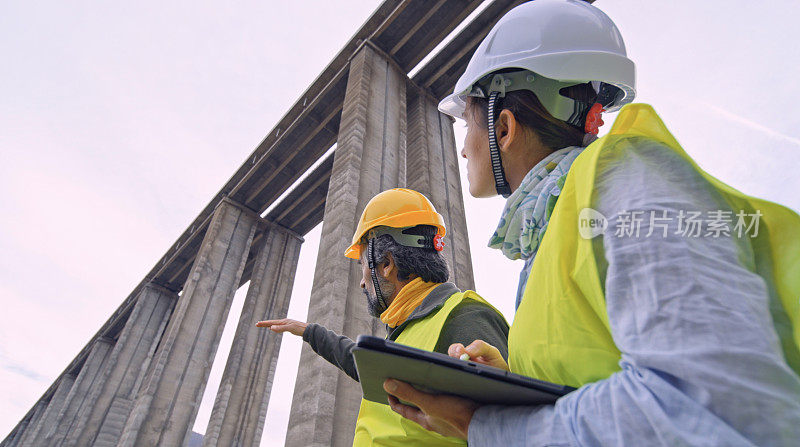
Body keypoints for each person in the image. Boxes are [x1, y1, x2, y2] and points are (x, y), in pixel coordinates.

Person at [382, 1, 800, 446]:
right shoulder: (554, 231)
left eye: (466, 123)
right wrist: (517, 386)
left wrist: (486, 427)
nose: (463, 150)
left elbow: (716, 410)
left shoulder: (624, 181)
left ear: (503, 128)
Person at [257, 188, 509, 446]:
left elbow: (506, 429)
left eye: (363, 267)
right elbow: (366, 365)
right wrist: (309, 331)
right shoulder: (412, 326)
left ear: (386, 264)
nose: (362, 284)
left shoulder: (464, 319)